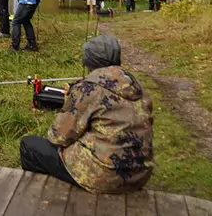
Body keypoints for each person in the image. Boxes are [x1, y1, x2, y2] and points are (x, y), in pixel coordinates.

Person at [20, 35, 154, 193]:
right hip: (139, 176)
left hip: (104, 176)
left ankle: (45, 194)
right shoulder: (135, 85)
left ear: (90, 61)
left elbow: (58, 136)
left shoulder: (88, 88)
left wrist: (69, 102)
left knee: (29, 145)